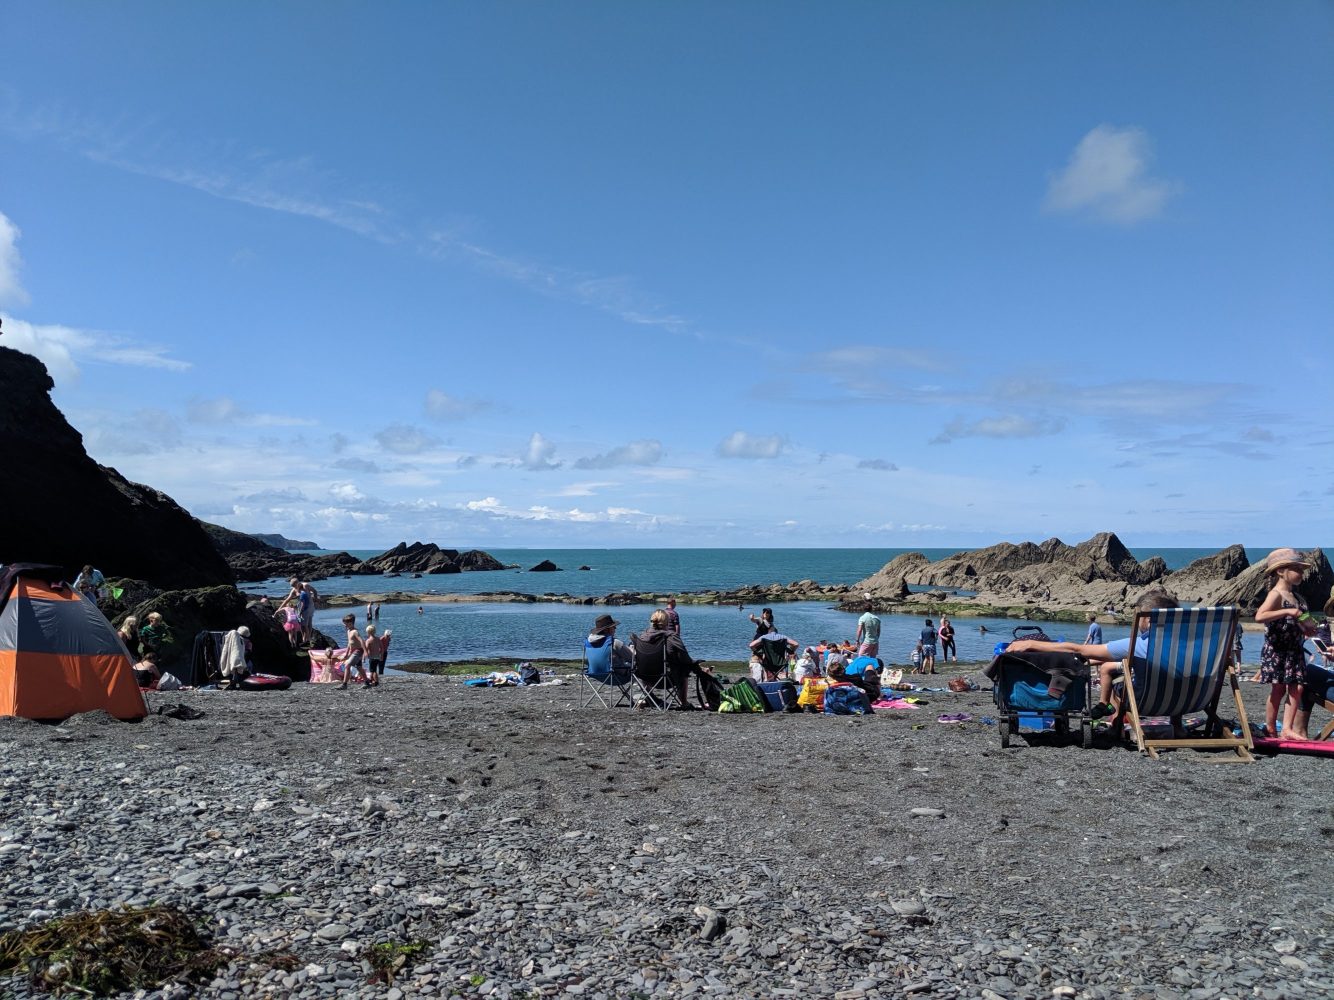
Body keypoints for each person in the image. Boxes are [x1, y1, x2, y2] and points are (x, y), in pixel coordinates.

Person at [1009, 590, 1182, 724]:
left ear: (1149, 620)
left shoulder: (1140, 644)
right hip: (1186, 702)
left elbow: (1079, 649)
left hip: (1144, 702)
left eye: (1138, 617)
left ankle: (1115, 724)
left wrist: (1032, 644)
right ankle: (1178, 727)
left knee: (1118, 687)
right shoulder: (1193, 644)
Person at [1255, 548, 1312, 740]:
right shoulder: (1276, 594)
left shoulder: (1298, 598)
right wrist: (1287, 612)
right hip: (1277, 650)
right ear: (1281, 571)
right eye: (1297, 569)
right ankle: (1270, 727)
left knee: (1297, 688)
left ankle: (1287, 728)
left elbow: (1306, 622)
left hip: (1294, 650)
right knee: (1278, 688)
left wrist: (1309, 628)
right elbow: (1260, 616)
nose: (1301, 573)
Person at [632, 609, 703, 707]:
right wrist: (697, 666)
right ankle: (684, 702)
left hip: (645, 676)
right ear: (667, 622)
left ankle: (648, 698)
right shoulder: (670, 637)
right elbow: (685, 657)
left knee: (645, 663)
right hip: (666, 678)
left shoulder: (642, 637)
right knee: (684, 667)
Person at [338, 613, 369, 690]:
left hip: (358, 651)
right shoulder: (348, 631)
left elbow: (361, 641)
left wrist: (365, 651)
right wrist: (346, 654)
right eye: (344, 624)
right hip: (353, 651)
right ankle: (367, 682)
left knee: (347, 665)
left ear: (351, 623)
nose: (345, 625)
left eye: (346, 624)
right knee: (359, 667)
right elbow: (349, 643)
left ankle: (344, 684)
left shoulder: (355, 631)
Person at [218, 626, 251, 690]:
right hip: (241, 661)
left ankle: (234, 682)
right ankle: (236, 682)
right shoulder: (243, 642)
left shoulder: (231, 639)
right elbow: (247, 654)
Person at [365, 624, 384, 688]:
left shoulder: (368, 640)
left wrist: (363, 657)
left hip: (372, 657)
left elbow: (366, 649)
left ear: (368, 632)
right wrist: (381, 656)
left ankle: (376, 681)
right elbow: (382, 648)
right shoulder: (378, 639)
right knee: (373, 669)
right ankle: (372, 680)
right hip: (377, 657)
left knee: (373, 670)